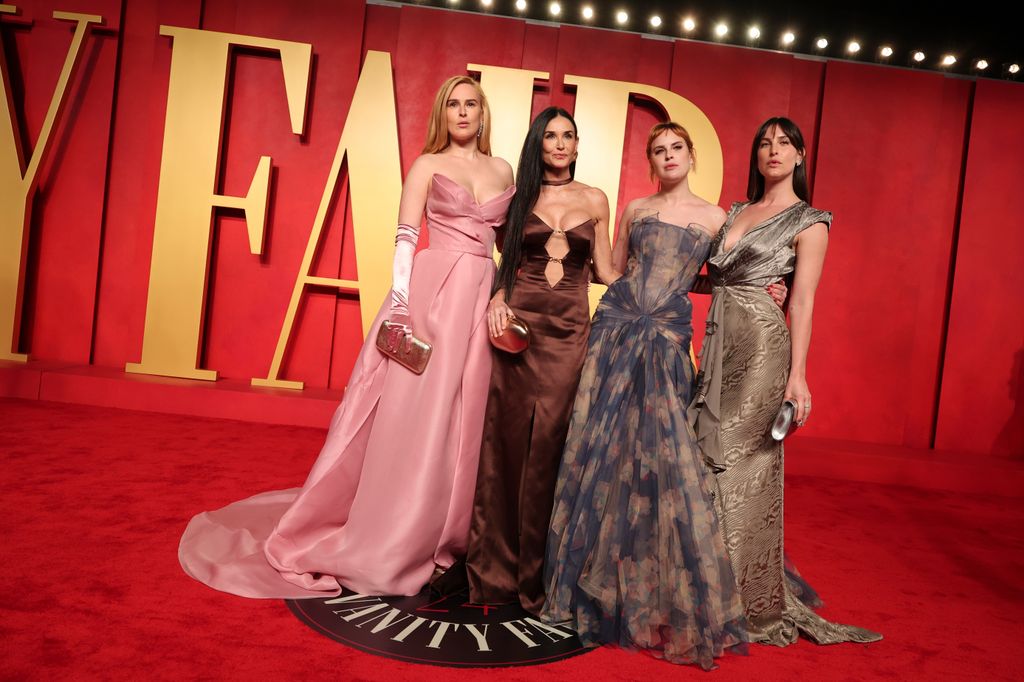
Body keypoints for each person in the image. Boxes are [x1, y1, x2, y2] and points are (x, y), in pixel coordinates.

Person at [177, 75, 515, 598]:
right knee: (417, 418)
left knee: (468, 419)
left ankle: (450, 533)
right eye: (454, 104)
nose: (463, 113)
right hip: (432, 298)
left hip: (480, 296)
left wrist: (502, 294)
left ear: (483, 112)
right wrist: (401, 309)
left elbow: (506, 246)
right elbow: (406, 238)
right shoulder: (427, 164)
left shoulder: (502, 169)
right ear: (442, 114)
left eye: (472, 104)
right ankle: (400, 529)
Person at [542, 122, 747, 669]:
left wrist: (767, 287)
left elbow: (722, 279)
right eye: (659, 151)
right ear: (652, 161)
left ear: (691, 154)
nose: (669, 156)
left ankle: (649, 590)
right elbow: (610, 269)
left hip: (665, 338)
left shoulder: (717, 218)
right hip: (615, 329)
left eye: (676, 147)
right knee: (600, 448)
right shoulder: (634, 205)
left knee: (657, 458)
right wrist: (549, 263)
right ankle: (588, 584)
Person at [690, 116, 881, 645]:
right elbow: (713, 276)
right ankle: (707, 590)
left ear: (800, 156)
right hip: (718, 345)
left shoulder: (810, 221)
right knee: (703, 458)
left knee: (739, 464)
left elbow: (802, 301)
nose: (773, 151)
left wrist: (798, 378)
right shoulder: (735, 212)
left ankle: (742, 605)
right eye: (765, 143)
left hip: (763, 353)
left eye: (785, 144)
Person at [465, 107, 619, 613]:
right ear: (540, 143)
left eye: (567, 135)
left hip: (570, 333)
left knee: (551, 447)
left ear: (577, 145)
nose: (559, 143)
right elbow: (504, 260)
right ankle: (494, 569)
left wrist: (690, 279)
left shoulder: (595, 198)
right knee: (504, 445)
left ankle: (540, 571)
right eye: (550, 135)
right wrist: (495, 297)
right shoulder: (521, 195)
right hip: (518, 330)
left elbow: (607, 272)